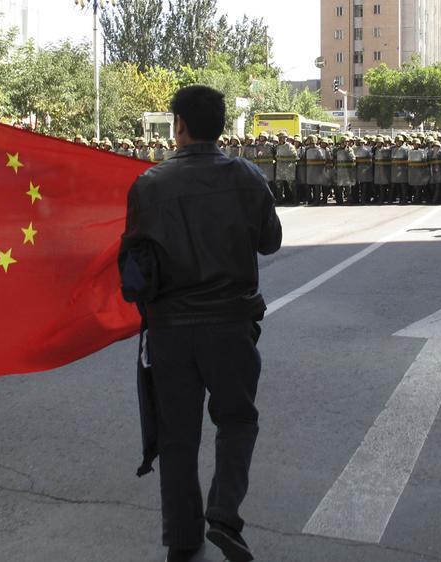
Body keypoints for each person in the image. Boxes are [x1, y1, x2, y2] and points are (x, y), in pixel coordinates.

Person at [119, 85, 281, 562]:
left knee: (177, 435)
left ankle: (182, 539)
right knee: (236, 421)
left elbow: (134, 265)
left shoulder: (148, 184)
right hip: (231, 325)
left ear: (180, 126)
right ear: (221, 125)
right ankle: (224, 515)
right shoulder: (248, 176)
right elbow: (269, 242)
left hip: (170, 330)